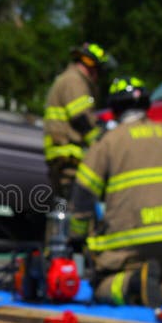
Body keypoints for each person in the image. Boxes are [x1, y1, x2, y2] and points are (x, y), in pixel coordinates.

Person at [70, 77, 162, 307]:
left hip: (129, 245)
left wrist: (76, 237)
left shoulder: (108, 143)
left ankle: (134, 285)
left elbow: (84, 193)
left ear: (114, 110)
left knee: (102, 285)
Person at [43, 42, 116, 204]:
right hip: (69, 156)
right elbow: (82, 119)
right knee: (73, 204)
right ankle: (65, 229)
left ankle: (61, 228)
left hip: (64, 155)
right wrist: (102, 145)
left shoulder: (70, 79)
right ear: (92, 66)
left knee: (64, 204)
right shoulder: (74, 81)